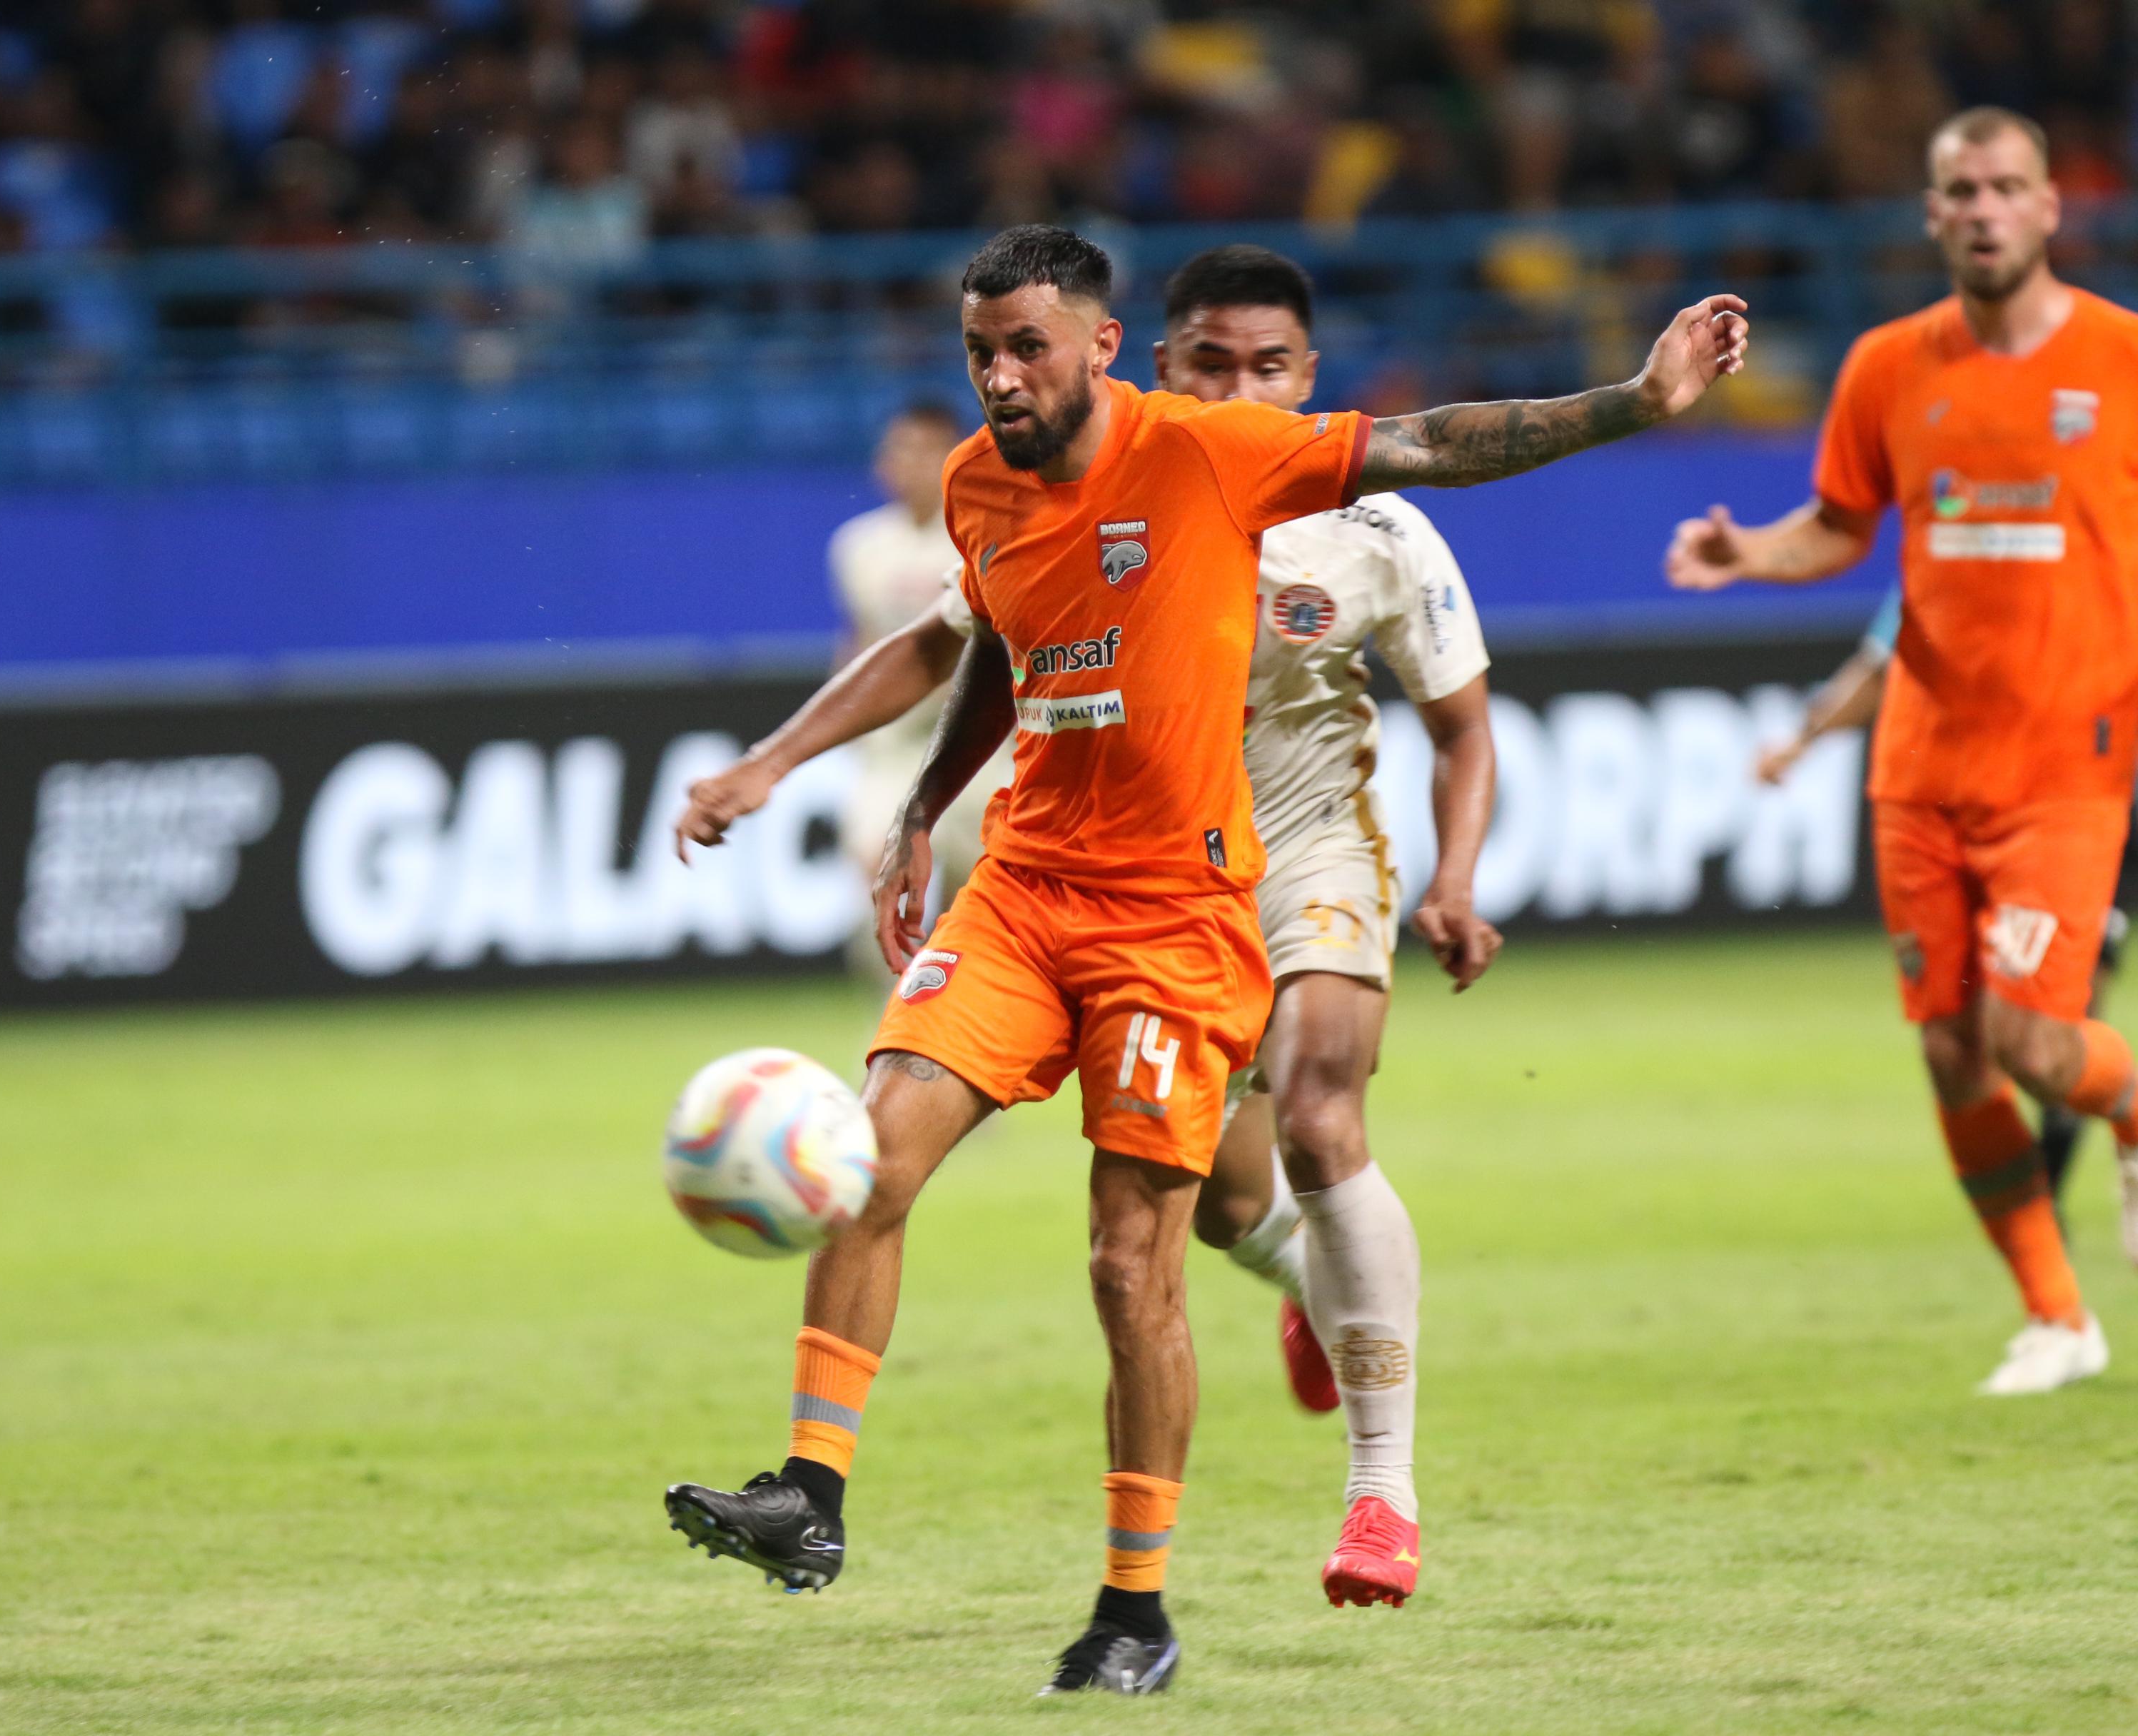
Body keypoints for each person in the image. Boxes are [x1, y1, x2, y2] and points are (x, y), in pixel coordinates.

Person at [667, 223, 1745, 1697]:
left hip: (1179, 920)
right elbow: (993, 647)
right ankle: (811, 1490)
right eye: (978, 350)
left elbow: (1438, 441)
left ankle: (1135, 1608)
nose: (997, 377)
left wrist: (1633, 399)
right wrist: (914, 802)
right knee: (865, 1158)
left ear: (1101, 345)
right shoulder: (979, 488)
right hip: (1027, 890)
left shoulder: (1209, 453)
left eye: (1024, 347)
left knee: (1132, 1264)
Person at [1665, 107, 2138, 1396]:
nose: (1981, 209)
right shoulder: (1885, 364)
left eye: (2004, 187)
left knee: (2030, 1042)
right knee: (1945, 1049)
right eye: (1958, 191)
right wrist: (1743, 553)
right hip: (1919, 764)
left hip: (2064, 762)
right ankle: (2056, 1315)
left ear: (2049, 207)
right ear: (1930, 215)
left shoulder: (2122, 359)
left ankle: (2127, 1100)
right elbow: (1838, 526)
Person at [1756, 583, 2137, 1236]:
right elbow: (1878, 666)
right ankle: (2047, 1233)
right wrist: (1804, 737)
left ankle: (2059, 1185)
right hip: (1986, 819)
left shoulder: (2097, 550)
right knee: (1986, 1036)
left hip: (2088, 809)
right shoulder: (1941, 557)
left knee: (2067, 1019)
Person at [825, 401, 1009, 956]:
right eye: (896, 450)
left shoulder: (981, 534)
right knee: (875, 878)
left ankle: (970, 1033)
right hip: (897, 751)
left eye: (921, 451)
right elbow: (858, 642)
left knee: (986, 914)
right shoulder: (859, 546)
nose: (904, 464)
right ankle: (893, 1029)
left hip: (987, 748)